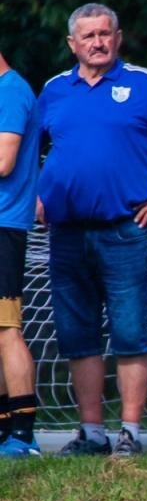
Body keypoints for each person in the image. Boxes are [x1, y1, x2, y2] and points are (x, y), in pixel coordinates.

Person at [38, 2, 147, 456]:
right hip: (67, 233)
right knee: (78, 335)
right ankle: (92, 433)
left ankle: (129, 433)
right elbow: (28, 147)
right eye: (88, 36)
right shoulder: (54, 90)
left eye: (105, 33)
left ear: (119, 37)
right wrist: (36, 194)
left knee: (130, 331)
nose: (97, 42)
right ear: (72, 44)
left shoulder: (143, 85)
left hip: (124, 229)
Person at [0, 46, 42, 457]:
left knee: (7, 328)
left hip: (3, 225)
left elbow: (4, 160)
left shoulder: (10, 92)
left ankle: (24, 436)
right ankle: (5, 429)